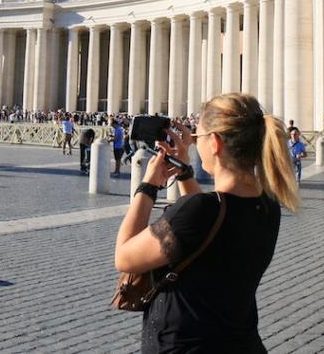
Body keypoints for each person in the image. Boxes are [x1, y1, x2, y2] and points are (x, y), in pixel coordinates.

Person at [115, 93, 299, 354]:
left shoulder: (201, 210)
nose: (193, 143)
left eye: (197, 138)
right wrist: (185, 172)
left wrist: (147, 187)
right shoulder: (268, 205)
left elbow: (124, 257)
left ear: (214, 143)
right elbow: (207, 227)